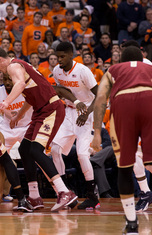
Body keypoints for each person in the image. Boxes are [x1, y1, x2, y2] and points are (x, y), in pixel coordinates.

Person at [0, 47, 78, 212]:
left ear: (0, 59)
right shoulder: (21, 66)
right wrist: (18, 116)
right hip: (40, 111)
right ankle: (34, 197)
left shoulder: (13, 66)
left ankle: (65, 192)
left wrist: (6, 102)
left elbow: (21, 85)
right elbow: (29, 95)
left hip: (51, 108)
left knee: (36, 150)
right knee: (25, 149)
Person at [92, 46, 152, 234]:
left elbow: (101, 97)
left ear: (121, 61)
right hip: (149, 99)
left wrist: (95, 133)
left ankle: (132, 223)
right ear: (142, 61)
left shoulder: (113, 70)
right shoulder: (150, 68)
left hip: (124, 103)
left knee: (125, 166)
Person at [51, 42, 100, 210]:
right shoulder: (57, 71)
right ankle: (65, 192)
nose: (59, 60)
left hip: (87, 112)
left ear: (71, 55)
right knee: (55, 149)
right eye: (57, 57)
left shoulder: (83, 71)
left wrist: (86, 113)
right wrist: (74, 102)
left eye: (62, 56)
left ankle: (93, 196)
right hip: (69, 111)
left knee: (82, 155)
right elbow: (61, 91)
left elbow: (99, 95)